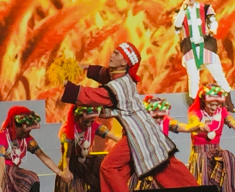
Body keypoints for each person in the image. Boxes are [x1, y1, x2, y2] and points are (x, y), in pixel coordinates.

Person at [61, 42, 199, 192]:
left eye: (117, 54)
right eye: (113, 52)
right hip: (143, 132)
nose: (112, 55)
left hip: (138, 134)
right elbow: (106, 75)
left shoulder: (120, 85)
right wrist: (83, 67)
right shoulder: (124, 78)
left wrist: (65, 84)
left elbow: (93, 95)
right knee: (159, 167)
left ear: (125, 62)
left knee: (109, 167)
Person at [173, 0, 235, 112]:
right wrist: (183, 8)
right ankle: (195, 107)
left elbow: (213, 21)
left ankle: (229, 104)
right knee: (193, 78)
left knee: (218, 74)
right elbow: (177, 25)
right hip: (189, 47)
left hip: (206, 45)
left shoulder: (206, 8)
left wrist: (212, 29)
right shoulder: (179, 12)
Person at [0, 106, 71, 192]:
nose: (28, 132)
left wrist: (60, 173)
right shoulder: (2, 136)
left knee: (32, 178)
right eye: (26, 130)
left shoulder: (27, 139)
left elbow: (43, 156)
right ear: (17, 126)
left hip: (15, 172)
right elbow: (1, 165)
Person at [128, 95, 201, 190]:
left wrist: (196, 127)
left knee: (184, 179)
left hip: (164, 159)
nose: (159, 120)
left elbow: (184, 127)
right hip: (146, 161)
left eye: (161, 117)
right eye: (155, 117)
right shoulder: (141, 124)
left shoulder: (166, 121)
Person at [188, 85, 235, 192]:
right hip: (201, 155)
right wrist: (199, 125)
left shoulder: (222, 112)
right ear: (204, 101)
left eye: (217, 105)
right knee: (203, 180)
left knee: (228, 159)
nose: (214, 108)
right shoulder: (196, 112)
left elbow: (233, 122)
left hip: (215, 152)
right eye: (211, 104)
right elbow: (194, 121)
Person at [54, 105, 120, 192]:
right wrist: (66, 170)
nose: (89, 124)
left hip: (85, 161)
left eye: (91, 121)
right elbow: (67, 152)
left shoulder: (94, 126)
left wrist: (124, 142)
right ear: (78, 117)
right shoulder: (68, 130)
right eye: (86, 121)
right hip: (71, 163)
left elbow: (113, 136)